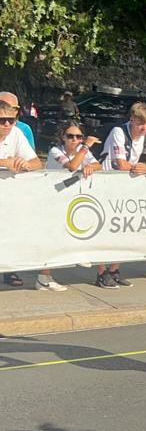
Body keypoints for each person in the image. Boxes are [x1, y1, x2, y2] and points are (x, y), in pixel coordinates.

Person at [99, 101, 146, 286]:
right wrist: (143, 168)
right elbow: (121, 164)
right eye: (140, 124)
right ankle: (102, 272)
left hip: (127, 187)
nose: (144, 128)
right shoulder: (118, 132)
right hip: (106, 184)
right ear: (132, 120)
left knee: (122, 229)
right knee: (105, 230)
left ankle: (115, 270)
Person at [39, 122, 102, 291]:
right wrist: (86, 146)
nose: (75, 140)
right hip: (51, 199)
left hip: (70, 200)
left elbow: (98, 165)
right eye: (70, 136)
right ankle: (43, 277)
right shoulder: (55, 150)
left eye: (79, 137)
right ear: (63, 137)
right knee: (52, 239)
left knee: (75, 229)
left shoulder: (83, 152)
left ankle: (75, 253)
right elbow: (72, 166)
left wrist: (90, 165)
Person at [1, 100, 43, 288]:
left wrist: (24, 164)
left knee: (9, 233)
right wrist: (5, 162)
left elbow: (36, 162)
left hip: (9, 195)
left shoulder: (16, 133)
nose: (7, 124)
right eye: (2, 120)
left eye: (11, 120)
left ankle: (9, 270)